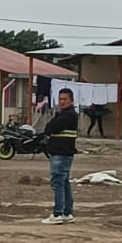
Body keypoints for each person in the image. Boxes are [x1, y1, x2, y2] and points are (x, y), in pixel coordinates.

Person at [42, 88, 78, 224]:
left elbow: (50, 128)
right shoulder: (64, 114)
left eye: (65, 99)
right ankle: (67, 212)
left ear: (71, 100)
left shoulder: (68, 115)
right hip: (63, 153)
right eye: (60, 99)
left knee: (57, 182)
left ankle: (58, 214)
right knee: (64, 183)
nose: (62, 102)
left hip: (61, 153)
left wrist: (51, 125)